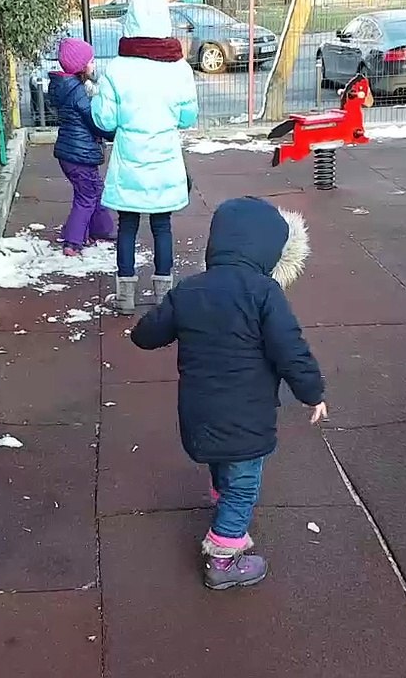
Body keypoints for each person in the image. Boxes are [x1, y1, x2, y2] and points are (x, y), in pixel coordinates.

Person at [129, 196, 328, 590]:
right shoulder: (264, 292)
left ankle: (224, 500)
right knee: (244, 483)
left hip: (198, 413)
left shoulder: (190, 290)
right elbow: (290, 348)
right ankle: (223, 558)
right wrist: (312, 392)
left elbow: (147, 334)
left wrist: (148, 327)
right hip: (247, 415)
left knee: (223, 460)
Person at [91, 0, 199, 315]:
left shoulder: (117, 69)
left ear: (130, 21)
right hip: (164, 163)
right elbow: (187, 117)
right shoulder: (179, 69)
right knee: (162, 227)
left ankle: (125, 297)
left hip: (129, 164)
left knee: (127, 227)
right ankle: (164, 295)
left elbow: (104, 120)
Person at [50, 38, 117, 256]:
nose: (94, 64)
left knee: (93, 189)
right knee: (86, 196)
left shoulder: (64, 87)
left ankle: (101, 229)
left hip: (70, 152)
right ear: (80, 66)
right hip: (79, 155)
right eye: (91, 61)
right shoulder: (77, 92)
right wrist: (114, 133)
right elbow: (94, 121)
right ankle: (73, 241)